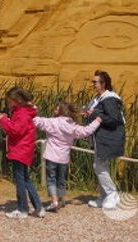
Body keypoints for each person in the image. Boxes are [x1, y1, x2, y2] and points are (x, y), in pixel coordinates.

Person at [33, 102, 102, 212]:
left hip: (51, 156)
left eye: (57, 108)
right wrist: (97, 121)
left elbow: (36, 121)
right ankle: (60, 200)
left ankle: (54, 202)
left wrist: (33, 109)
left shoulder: (52, 122)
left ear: (61, 111)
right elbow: (86, 131)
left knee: (51, 179)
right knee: (61, 179)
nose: (54, 110)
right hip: (64, 158)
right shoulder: (72, 126)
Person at [0, 87, 45, 219]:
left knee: (20, 181)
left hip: (20, 150)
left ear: (15, 100)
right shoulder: (23, 112)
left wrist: (3, 120)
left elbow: (15, 131)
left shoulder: (22, 113)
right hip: (24, 150)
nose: (8, 103)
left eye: (9, 101)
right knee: (26, 179)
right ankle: (39, 208)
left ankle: (22, 209)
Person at [83, 70, 125, 210]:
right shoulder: (98, 98)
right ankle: (103, 197)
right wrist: (87, 114)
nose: (92, 84)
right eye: (93, 82)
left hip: (108, 138)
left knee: (99, 166)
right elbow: (99, 115)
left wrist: (94, 113)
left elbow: (114, 119)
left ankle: (112, 194)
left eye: (95, 82)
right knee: (100, 166)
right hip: (99, 138)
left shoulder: (110, 99)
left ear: (103, 84)